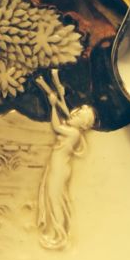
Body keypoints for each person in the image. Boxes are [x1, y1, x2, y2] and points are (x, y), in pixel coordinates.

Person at [37, 90, 96, 250]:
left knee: (55, 199)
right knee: (53, 198)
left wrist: (53, 105)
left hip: (60, 169)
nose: (73, 115)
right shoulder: (74, 131)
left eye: (77, 116)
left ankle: (60, 234)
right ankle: (55, 231)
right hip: (57, 166)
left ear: (83, 125)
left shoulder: (74, 133)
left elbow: (56, 127)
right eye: (74, 113)